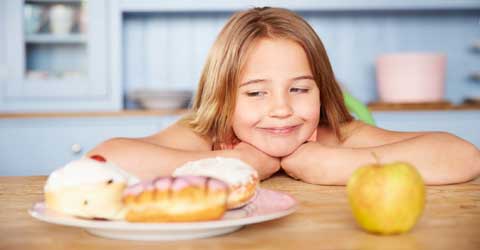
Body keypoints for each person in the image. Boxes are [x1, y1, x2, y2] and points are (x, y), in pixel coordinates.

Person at [88, 7, 480, 185]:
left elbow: (463, 156)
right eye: (256, 92)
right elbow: (105, 159)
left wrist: (332, 165)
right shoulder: (208, 132)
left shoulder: (335, 133)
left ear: (320, 90)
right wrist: (237, 162)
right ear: (223, 98)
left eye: (299, 88)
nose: (281, 109)